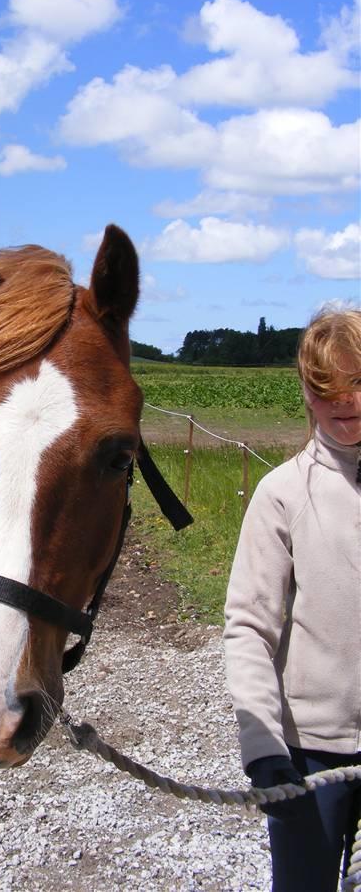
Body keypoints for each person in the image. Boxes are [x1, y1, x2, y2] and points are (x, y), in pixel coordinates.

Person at [224, 307, 361, 892]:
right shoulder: (281, 493)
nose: (344, 401)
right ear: (306, 391)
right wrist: (263, 749)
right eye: (326, 386)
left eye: (358, 381)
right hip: (311, 754)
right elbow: (249, 625)